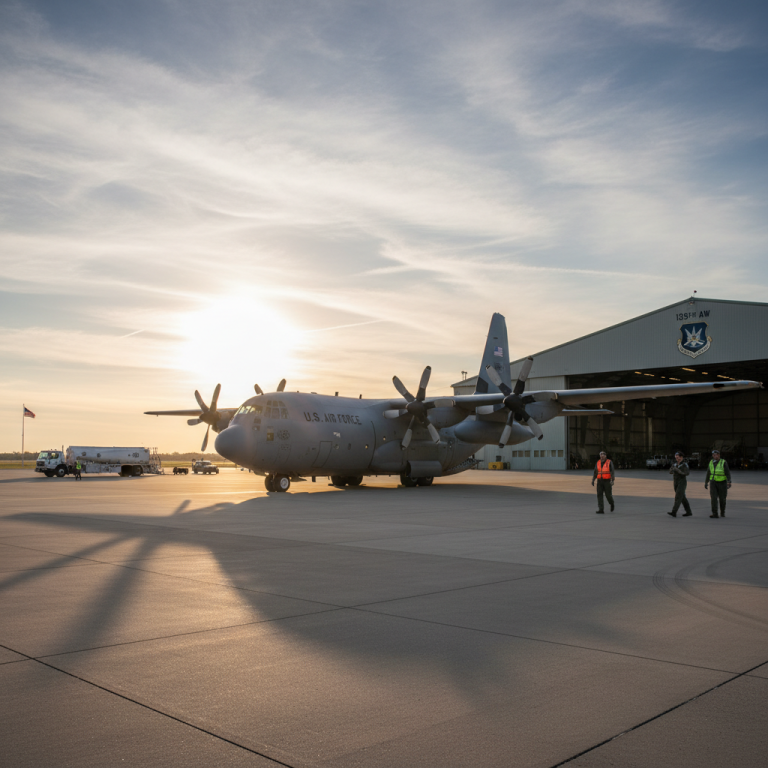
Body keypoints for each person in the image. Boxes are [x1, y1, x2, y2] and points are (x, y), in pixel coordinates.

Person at [705, 449, 731, 518]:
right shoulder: (711, 462)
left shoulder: (723, 462)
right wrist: (706, 482)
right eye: (714, 455)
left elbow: (727, 472)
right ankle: (715, 513)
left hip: (722, 482)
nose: (715, 456)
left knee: (722, 498)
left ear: (719, 455)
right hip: (713, 482)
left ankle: (722, 512)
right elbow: (708, 472)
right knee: (713, 498)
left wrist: (729, 481)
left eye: (716, 455)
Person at [667, 451, 692, 517]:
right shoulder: (675, 464)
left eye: (678, 457)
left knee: (678, 496)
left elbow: (686, 473)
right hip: (676, 481)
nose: (677, 459)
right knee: (682, 497)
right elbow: (670, 471)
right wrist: (672, 469)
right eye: (676, 458)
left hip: (682, 482)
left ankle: (674, 511)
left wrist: (678, 470)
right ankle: (689, 512)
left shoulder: (684, 464)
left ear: (681, 457)